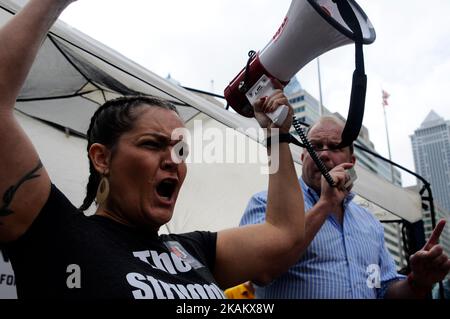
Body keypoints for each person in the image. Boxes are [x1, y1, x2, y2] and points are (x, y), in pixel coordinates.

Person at [0, 0, 310, 299]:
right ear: (102, 158)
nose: (173, 161)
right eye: (152, 144)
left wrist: (276, 136)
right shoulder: (58, 235)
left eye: (181, 151)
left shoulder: (193, 251)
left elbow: (283, 234)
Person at [241, 115, 450, 299]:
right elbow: (259, 271)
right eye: (314, 146)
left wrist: (418, 281)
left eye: (334, 147)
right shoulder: (266, 203)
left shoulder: (370, 223)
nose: (323, 154)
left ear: (351, 161)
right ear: (303, 156)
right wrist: (325, 203)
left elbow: (383, 290)